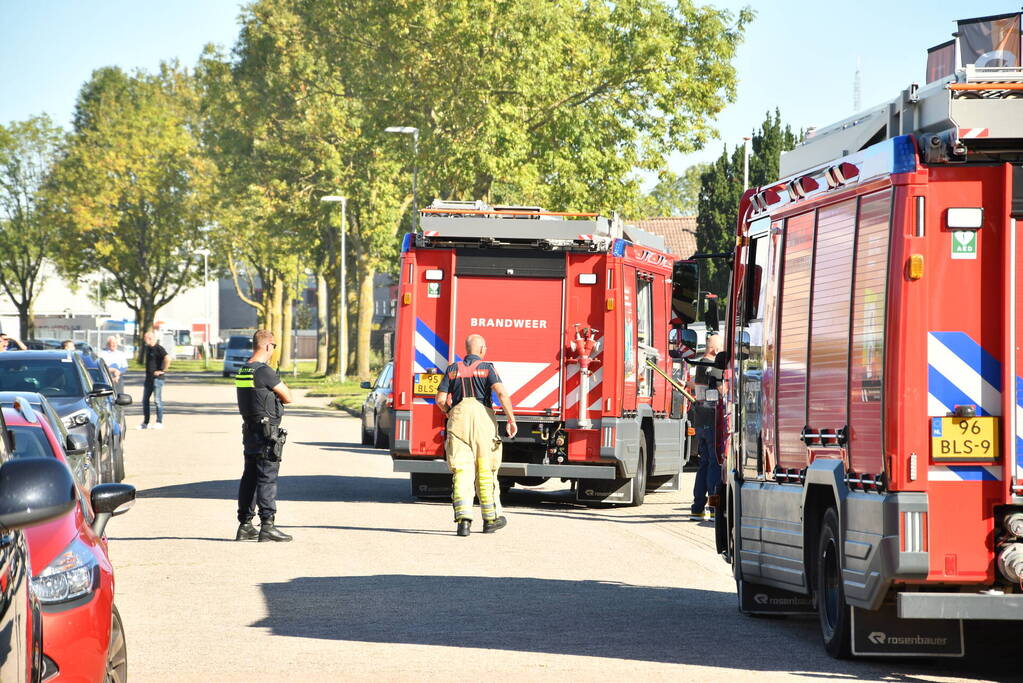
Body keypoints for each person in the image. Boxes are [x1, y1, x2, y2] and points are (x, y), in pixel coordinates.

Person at [435, 334, 517, 537]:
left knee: (462, 471)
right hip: (483, 422)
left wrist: (449, 412)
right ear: (482, 350)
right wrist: (511, 419)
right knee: (485, 469)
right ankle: (491, 520)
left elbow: (440, 399)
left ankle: (463, 522)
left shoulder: (453, 369)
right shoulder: (487, 368)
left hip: (458, 420)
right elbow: (502, 394)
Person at [235, 329, 293, 542]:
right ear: (268, 346)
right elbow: (288, 397)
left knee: (249, 477)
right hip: (267, 434)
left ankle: (245, 525)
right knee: (267, 478)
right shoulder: (264, 371)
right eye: (274, 346)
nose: (274, 350)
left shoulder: (243, 370)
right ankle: (267, 525)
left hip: (250, 431)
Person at [689, 334, 724, 521]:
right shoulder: (714, 368)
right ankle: (714, 508)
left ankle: (697, 508)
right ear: (714, 349)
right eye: (720, 348)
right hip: (712, 421)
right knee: (714, 465)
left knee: (703, 465)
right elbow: (722, 391)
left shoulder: (700, 366)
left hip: (700, 421)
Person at [138, 331, 169, 430]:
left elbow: (167, 358)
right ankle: (146, 422)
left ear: (150, 338)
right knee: (145, 400)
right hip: (148, 379)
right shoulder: (148, 348)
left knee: (157, 400)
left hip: (157, 379)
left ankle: (159, 421)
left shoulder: (158, 348)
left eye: (145, 339)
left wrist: (162, 370)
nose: (144, 341)